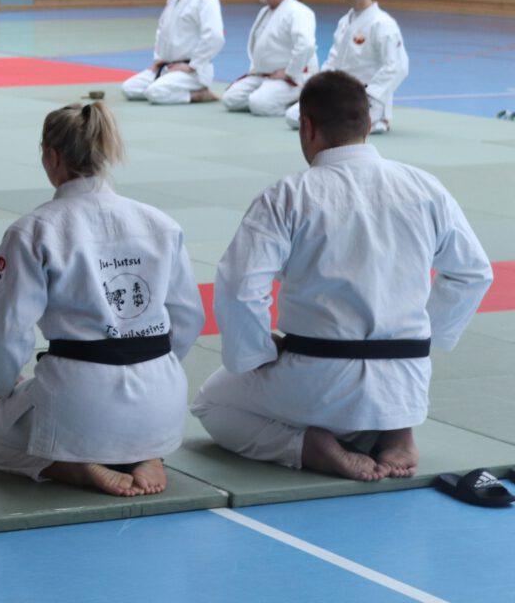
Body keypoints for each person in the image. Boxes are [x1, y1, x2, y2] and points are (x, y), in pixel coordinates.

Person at [193, 72, 492, 481]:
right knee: (374, 395)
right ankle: (395, 431)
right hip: (405, 385)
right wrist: (425, 338)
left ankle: (306, 447)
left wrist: (256, 352)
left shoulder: (288, 195)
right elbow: (473, 273)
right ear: (368, 124)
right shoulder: (425, 187)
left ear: (307, 127)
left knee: (211, 403)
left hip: (315, 383)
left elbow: (240, 286)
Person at [0, 101, 203, 497]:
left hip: (80, 397)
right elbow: (189, 317)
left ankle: (72, 466)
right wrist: (148, 369)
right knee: (129, 408)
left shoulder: (34, 230)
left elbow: (5, 328)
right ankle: (146, 453)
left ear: (51, 156)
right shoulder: (160, 223)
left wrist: (1, 383)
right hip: (162, 397)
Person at [284, 0, 408, 135]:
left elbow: (397, 67)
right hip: (339, 93)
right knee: (294, 116)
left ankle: (379, 120)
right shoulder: (344, 22)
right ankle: (359, 122)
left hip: (367, 97)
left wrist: (370, 94)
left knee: (336, 126)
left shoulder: (383, 24)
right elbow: (333, 61)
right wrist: (320, 85)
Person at [121, 0, 224, 105]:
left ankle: (199, 95)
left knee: (154, 93)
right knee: (129, 88)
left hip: (191, 71)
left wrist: (193, 65)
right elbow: (162, 31)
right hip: (168, 67)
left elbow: (214, 36)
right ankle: (168, 86)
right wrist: (159, 59)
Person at [221, 0, 318, 117]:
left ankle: (297, 103)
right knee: (230, 99)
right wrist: (256, 67)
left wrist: (289, 72)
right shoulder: (265, 12)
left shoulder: (299, 12)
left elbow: (305, 46)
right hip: (264, 74)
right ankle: (275, 98)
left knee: (258, 104)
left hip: (293, 76)